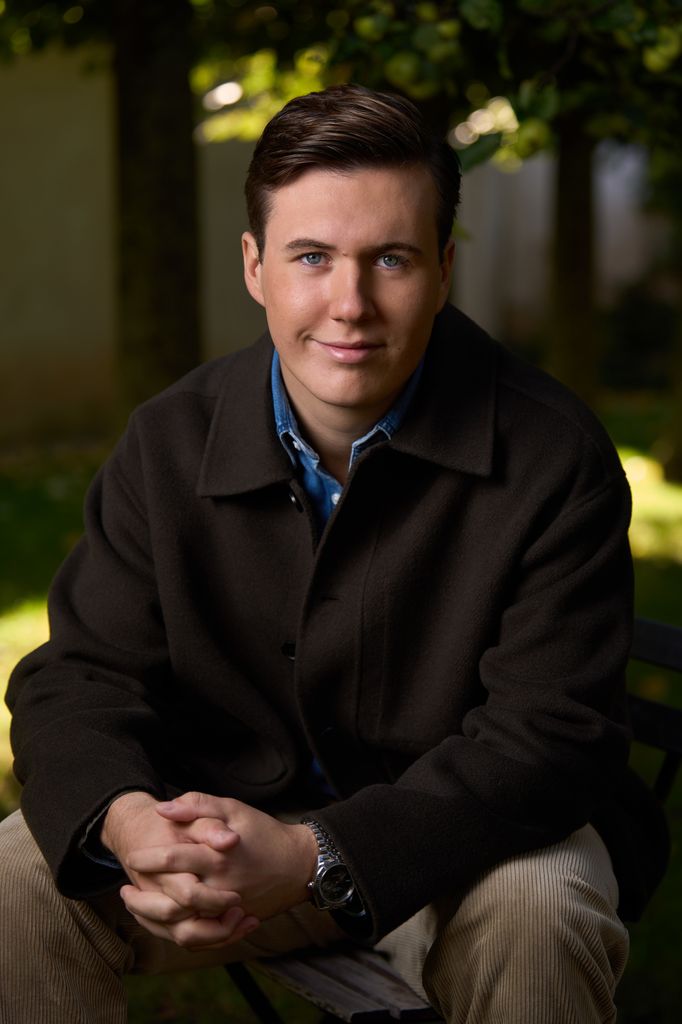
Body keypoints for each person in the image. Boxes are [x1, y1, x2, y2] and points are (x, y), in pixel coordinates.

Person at [0, 84, 668, 1024]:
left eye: (389, 258)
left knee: (539, 909)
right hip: (229, 840)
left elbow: (549, 742)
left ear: (442, 269)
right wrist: (124, 818)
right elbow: (76, 675)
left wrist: (315, 855)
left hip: (477, 848)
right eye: (310, 257)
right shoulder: (166, 443)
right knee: (16, 879)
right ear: (254, 266)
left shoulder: (555, 455)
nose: (348, 304)